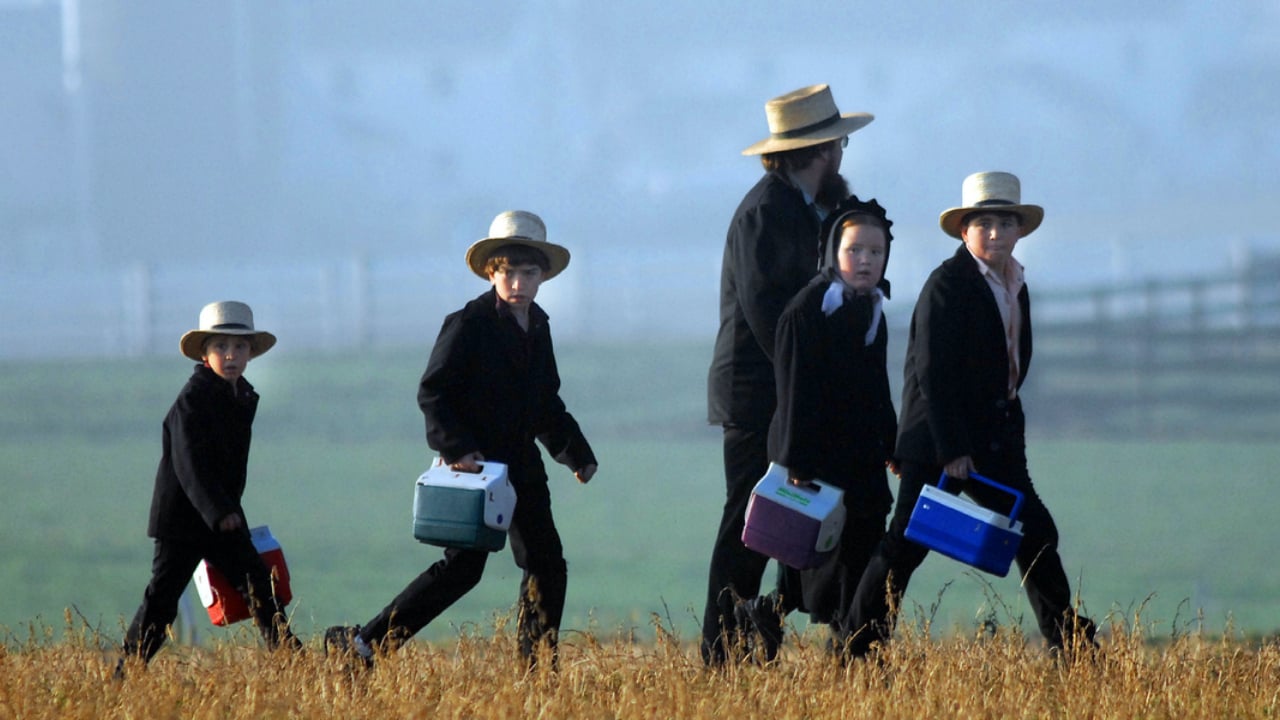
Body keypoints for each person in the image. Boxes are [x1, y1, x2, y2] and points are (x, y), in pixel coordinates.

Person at [837, 171, 1096, 660]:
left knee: (1036, 532)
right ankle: (856, 645)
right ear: (964, 231)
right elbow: (932, 376)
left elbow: (1013, 366)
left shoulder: (1015, 283)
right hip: (941, 443)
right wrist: (953, 449)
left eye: (1004, 222)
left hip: (994, 442)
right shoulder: (947, 285)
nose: (995, 232)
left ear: (1020, 231)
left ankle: (1071, 646)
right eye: (984, 224)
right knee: (905, 545)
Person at [325, 210, 598, 670]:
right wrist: (456, 448)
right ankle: (364, 645)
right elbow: (433, 391)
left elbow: (545, 402)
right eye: (507, 271)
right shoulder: (467, 324)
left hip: (522, 467)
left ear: (542, 276)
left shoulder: (539, 327)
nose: (517, 282)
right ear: (492, 272)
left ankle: (536, 670)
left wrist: (575, 454)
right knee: (462, 570)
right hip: (476, 470)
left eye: (528, 272)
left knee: (547, 564)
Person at [703, 84, 873, 666]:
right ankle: (719, 657)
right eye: (840, 143)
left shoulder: (804, 210)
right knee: (748, 526)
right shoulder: (764, 214)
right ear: (822, 150)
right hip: (758, 398)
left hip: (789, 394)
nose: (844, 155)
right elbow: (772, 319)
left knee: (800, 518)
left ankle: (763, 625)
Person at [737, 196, 899, 662]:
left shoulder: (873, 309)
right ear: (832, 252)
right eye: (855, 250)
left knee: (856, 549)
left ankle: (839, 643)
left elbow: (878, 388)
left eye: (876, 252)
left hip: (862, 455)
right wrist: (796, 461)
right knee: (817, 555)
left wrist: (892, 445)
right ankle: (840, 645)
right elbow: (791, 393)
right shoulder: (805, 312)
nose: (866, 260)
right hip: (816, 455)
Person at [117, 300, 298, 673]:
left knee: (260, 587)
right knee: (162, 601)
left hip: (222, 516)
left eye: (239, 347)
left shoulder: (240, 395)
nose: (230, 355)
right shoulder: (192, 401)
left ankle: (293, 664)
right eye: (220, 346)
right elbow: (189, 466)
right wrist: (218, 511)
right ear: (204, 353)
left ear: (251, 353)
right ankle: (126, 670)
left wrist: (225, 511)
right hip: (184, 521)